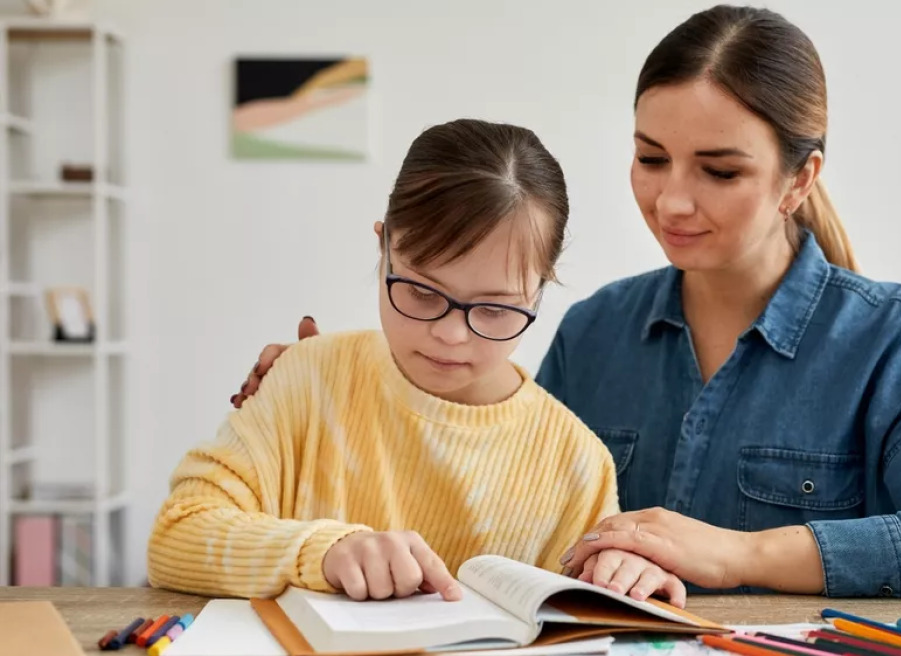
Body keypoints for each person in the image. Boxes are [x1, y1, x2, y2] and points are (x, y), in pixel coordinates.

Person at [235, 5, 901, 600]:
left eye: (719, 170)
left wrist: (745, 555)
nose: (671, 201)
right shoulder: (596, 332)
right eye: (650, 157)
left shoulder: (895, 344)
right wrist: (335, 381)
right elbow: (489, 480)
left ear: (799, 179)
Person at [149, 118, 686, 607]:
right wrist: (324, 551)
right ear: (383, 248)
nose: (450, 335)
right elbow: (176, 537)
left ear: (541, 289)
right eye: (422, 292)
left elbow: (578, 618)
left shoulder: (575, 463)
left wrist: (626, 578)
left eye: (495, 308)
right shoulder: (306, 381)